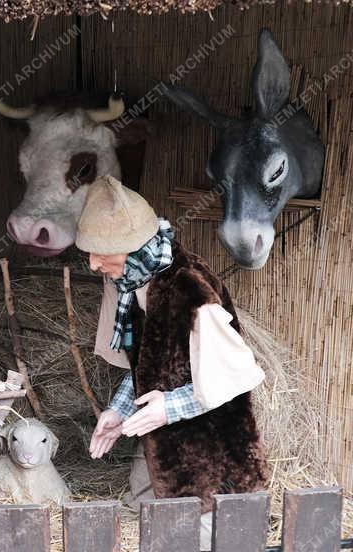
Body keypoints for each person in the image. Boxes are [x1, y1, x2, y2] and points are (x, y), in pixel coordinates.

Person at [82, 176, 267, 551]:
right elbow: (149, 362)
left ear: (131, 247)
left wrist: (168, 406)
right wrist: (118, 411)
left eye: (101, 252)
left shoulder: (189, 289)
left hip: (213, 459)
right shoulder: (132, 286)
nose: (92, 263)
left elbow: (235, 376)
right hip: (165, 454)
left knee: (208, 540)